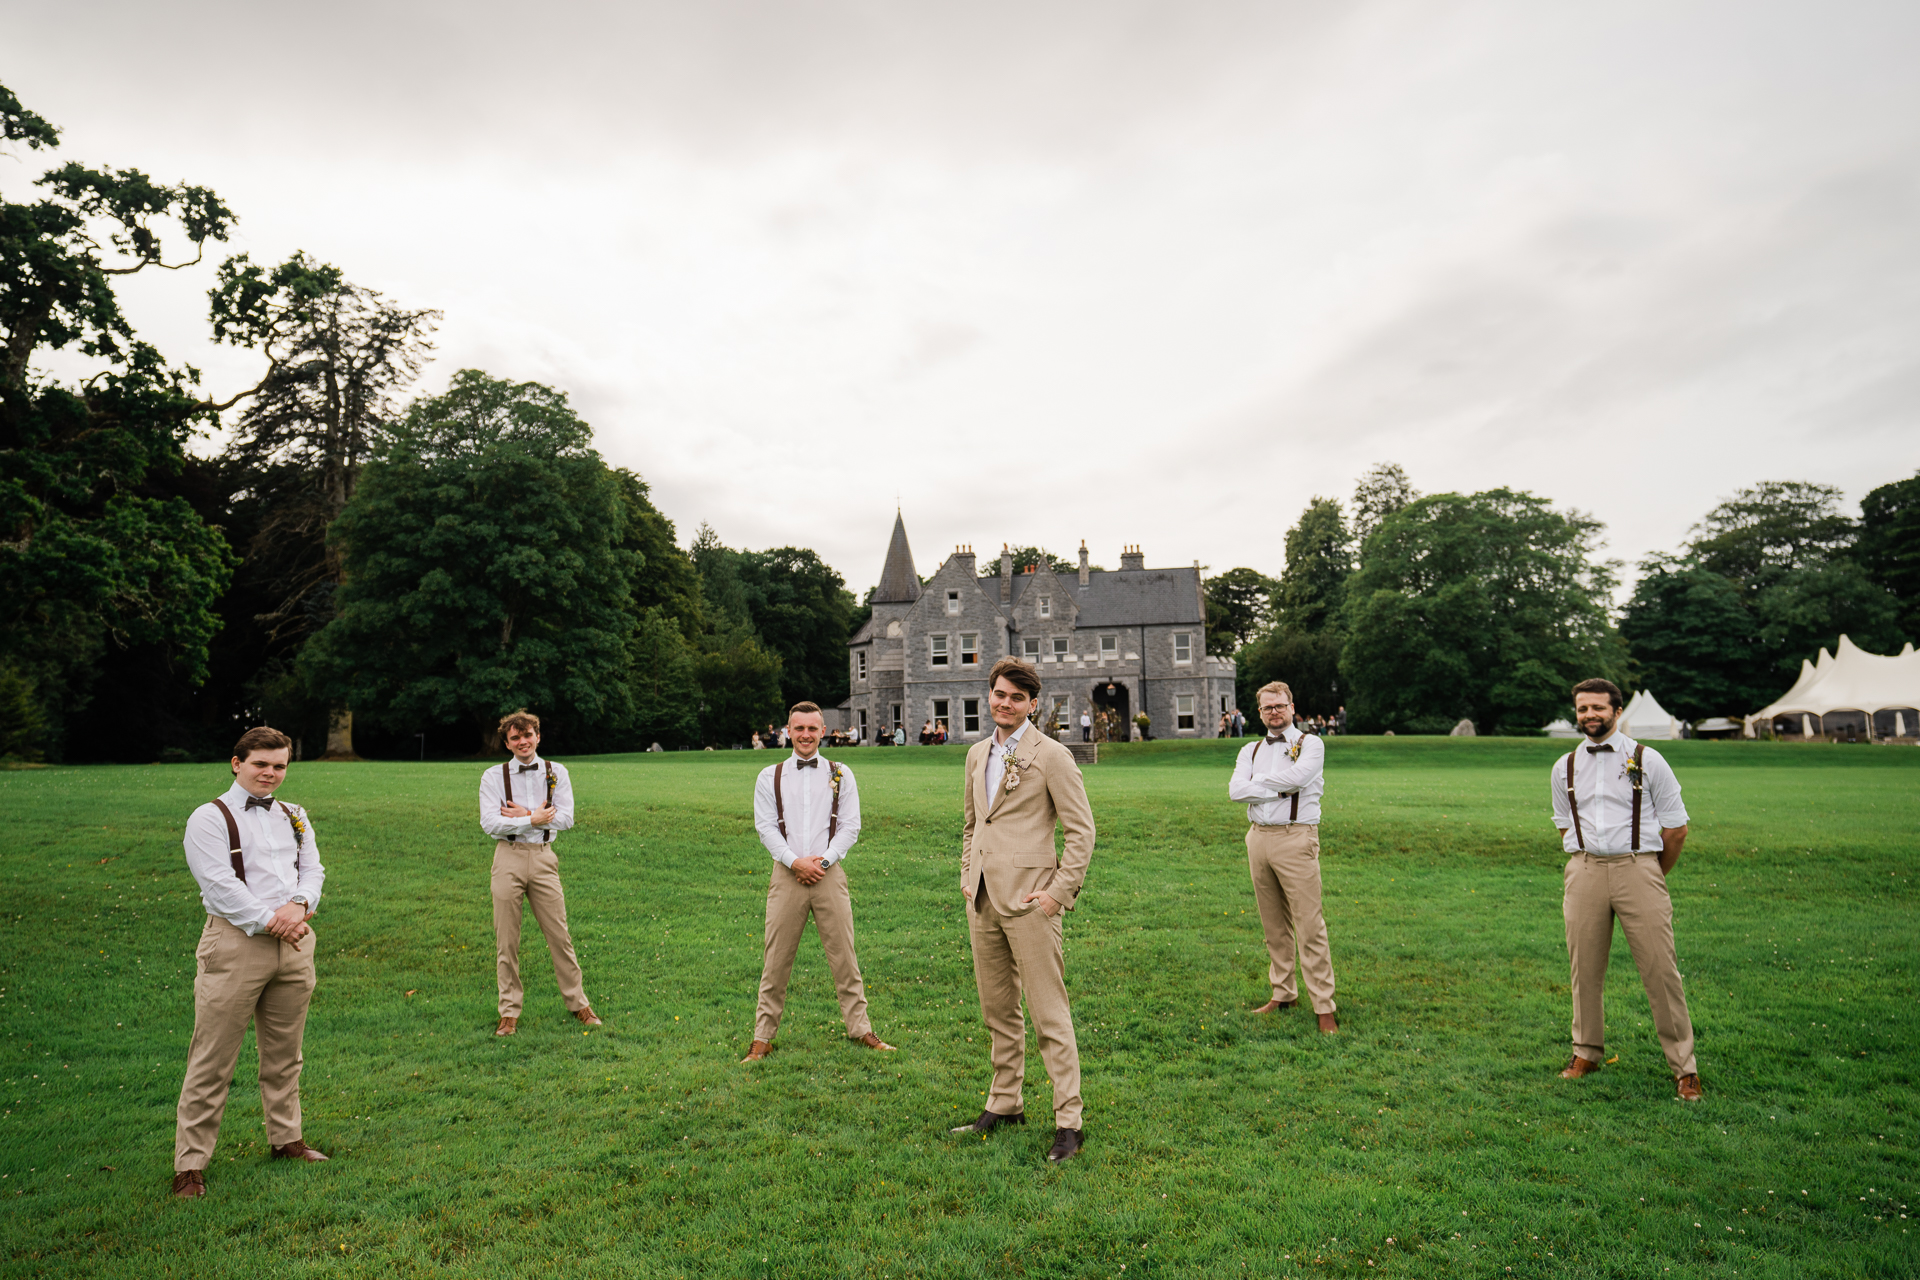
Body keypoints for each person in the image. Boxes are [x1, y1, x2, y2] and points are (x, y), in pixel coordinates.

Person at [171, 726, 329, 1198]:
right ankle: (189, 1165)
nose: (271, 774)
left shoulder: (295, 814)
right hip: (236, 943)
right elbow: (219, 884)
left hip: (296, 942)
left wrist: (299, 904)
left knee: (285, 1054)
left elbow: (313, 868)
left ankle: (287, 1139)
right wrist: (272, 920)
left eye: (279, 765)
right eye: (261, 764)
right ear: (237, 763)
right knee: (212, 1057)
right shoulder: (208, 817)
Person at [952, 658, 1096, 1163]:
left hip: (1034, 902)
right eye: (998, 694)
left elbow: (1082, 833)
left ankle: (1069, 1121)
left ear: (1032, 704)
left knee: (1048, 1014)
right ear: (988, 696)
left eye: (1015, 697)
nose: (1004, 703)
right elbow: (973, 825)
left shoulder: (1052, 755)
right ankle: (1005, 1102)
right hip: (984, 899)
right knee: (997, 1011)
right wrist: (968, 876)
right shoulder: (976, 754)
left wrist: (1057, 894)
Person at [1552, 678, 1702, 1101]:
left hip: (1639, 869)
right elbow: (1564, 823)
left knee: (1660, 970)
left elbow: (1676, 829)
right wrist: (1588, 863)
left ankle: (1684, 1069)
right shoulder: (1563, 766)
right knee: (1584, 969)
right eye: (1583, 709)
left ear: (1618, 712)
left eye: (1598, 708)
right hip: (1583, 871)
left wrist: (1650, 874)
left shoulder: (1648, 759)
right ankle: (1586, 1052)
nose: (1590, 716)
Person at [743, 702, 895, 1061]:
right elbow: (765, 827)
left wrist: (822, 861)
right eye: (799, 729)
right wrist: (794, 861)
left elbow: (850, 826)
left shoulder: (842, 772)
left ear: (823, 730)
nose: (806, 735)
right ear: (788, 731)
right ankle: (762, 1037)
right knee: (775, 960)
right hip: (787, 874)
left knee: (845, 957)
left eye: (813, 729)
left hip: (829, 874)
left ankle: (861, 1029)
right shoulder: (770, 776)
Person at [479, 710, 601, 1037]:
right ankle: (509, 1012)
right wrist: (531, 820)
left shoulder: (555, 771)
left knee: (559, 936)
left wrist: (527, 814)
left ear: (538, 736)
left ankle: (578, 1004)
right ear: (507, 743)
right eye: (515, 737)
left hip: (545, 859)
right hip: (508, 858)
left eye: (528, 734)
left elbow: (567, 819)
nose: (523, 741)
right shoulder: (493, 777)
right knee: (507, 940)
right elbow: (490, 824)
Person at [1228, 681, 1339, 1032]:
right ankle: (1284, 992)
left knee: (1309, 925)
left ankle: (1324, 1007)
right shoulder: (1250, 749)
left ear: (1292, 707)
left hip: (1296, 838)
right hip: (1257, 839)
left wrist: (1258, 786)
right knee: (1273, 925)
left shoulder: (1311, 744)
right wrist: (1277, 787)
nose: (1273, 712)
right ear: (1258, 712)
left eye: (1279, 706)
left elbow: (1300, 778)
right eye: (1267, 707)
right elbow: (1235, 791)